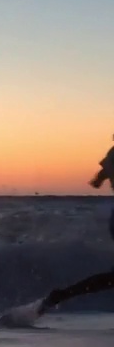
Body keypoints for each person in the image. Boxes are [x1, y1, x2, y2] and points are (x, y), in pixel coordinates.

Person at [38, 135, 114, 314]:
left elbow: (99, 178)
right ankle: (62, 294)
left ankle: (63, 295)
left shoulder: (112, 153)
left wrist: (102, 178)